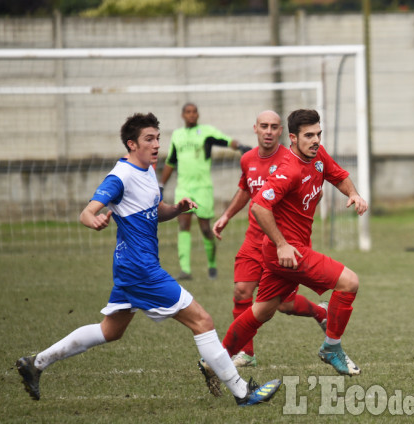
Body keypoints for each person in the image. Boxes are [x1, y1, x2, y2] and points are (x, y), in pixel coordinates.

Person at [15, 112, 280, 406]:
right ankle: (243, 392)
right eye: (148, 139)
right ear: (132, 144)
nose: (156, 145)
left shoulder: (148, 172)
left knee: (110, 330)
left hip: (131, 267)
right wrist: (94, 220)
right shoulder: (121, 176)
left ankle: (35, 364)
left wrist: (176, 209)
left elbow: (153, 213)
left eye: (157, 138)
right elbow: (87, 212)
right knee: (203, 321)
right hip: (141, 269)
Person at [202, 109, 367, 385]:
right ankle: (331, 347)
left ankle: (215, 361)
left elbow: (337, 175)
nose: (316, 140)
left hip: (290, 250)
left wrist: (353, 194)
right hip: (288, 253)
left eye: (318, 134)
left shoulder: (317, 155)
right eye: (309, 136)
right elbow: (259, 207)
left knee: (262, 311)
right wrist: (282, 245)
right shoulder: (287, 170)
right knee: (349, 282)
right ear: (292, 138)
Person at [212, 110, 328, 368]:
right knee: (242, 290)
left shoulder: (292, 160)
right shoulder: (247, 159)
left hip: (283, 241)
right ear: (255, 129)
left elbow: (312, 187)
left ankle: (321, 312)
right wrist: (227, 216)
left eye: (274, 127)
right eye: (264, 126)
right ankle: (246, 352)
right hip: (254, 238)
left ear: (282, 133)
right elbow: (246, 189)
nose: (268, 131)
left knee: (284, 305)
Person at [160, 103, 250, 281]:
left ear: (198, 115)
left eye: (194, 112)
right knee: (183, 225)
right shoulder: (177, 136)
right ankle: (185, 270)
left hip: (203, 188)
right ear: (183, 115)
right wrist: (161, 184)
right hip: (183, 187)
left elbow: (226, 140)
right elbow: (171, 161)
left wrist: (240, 147)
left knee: (205, 228)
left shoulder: (206, 132)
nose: (191, 115)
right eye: (188, 112)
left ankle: (212, 264)